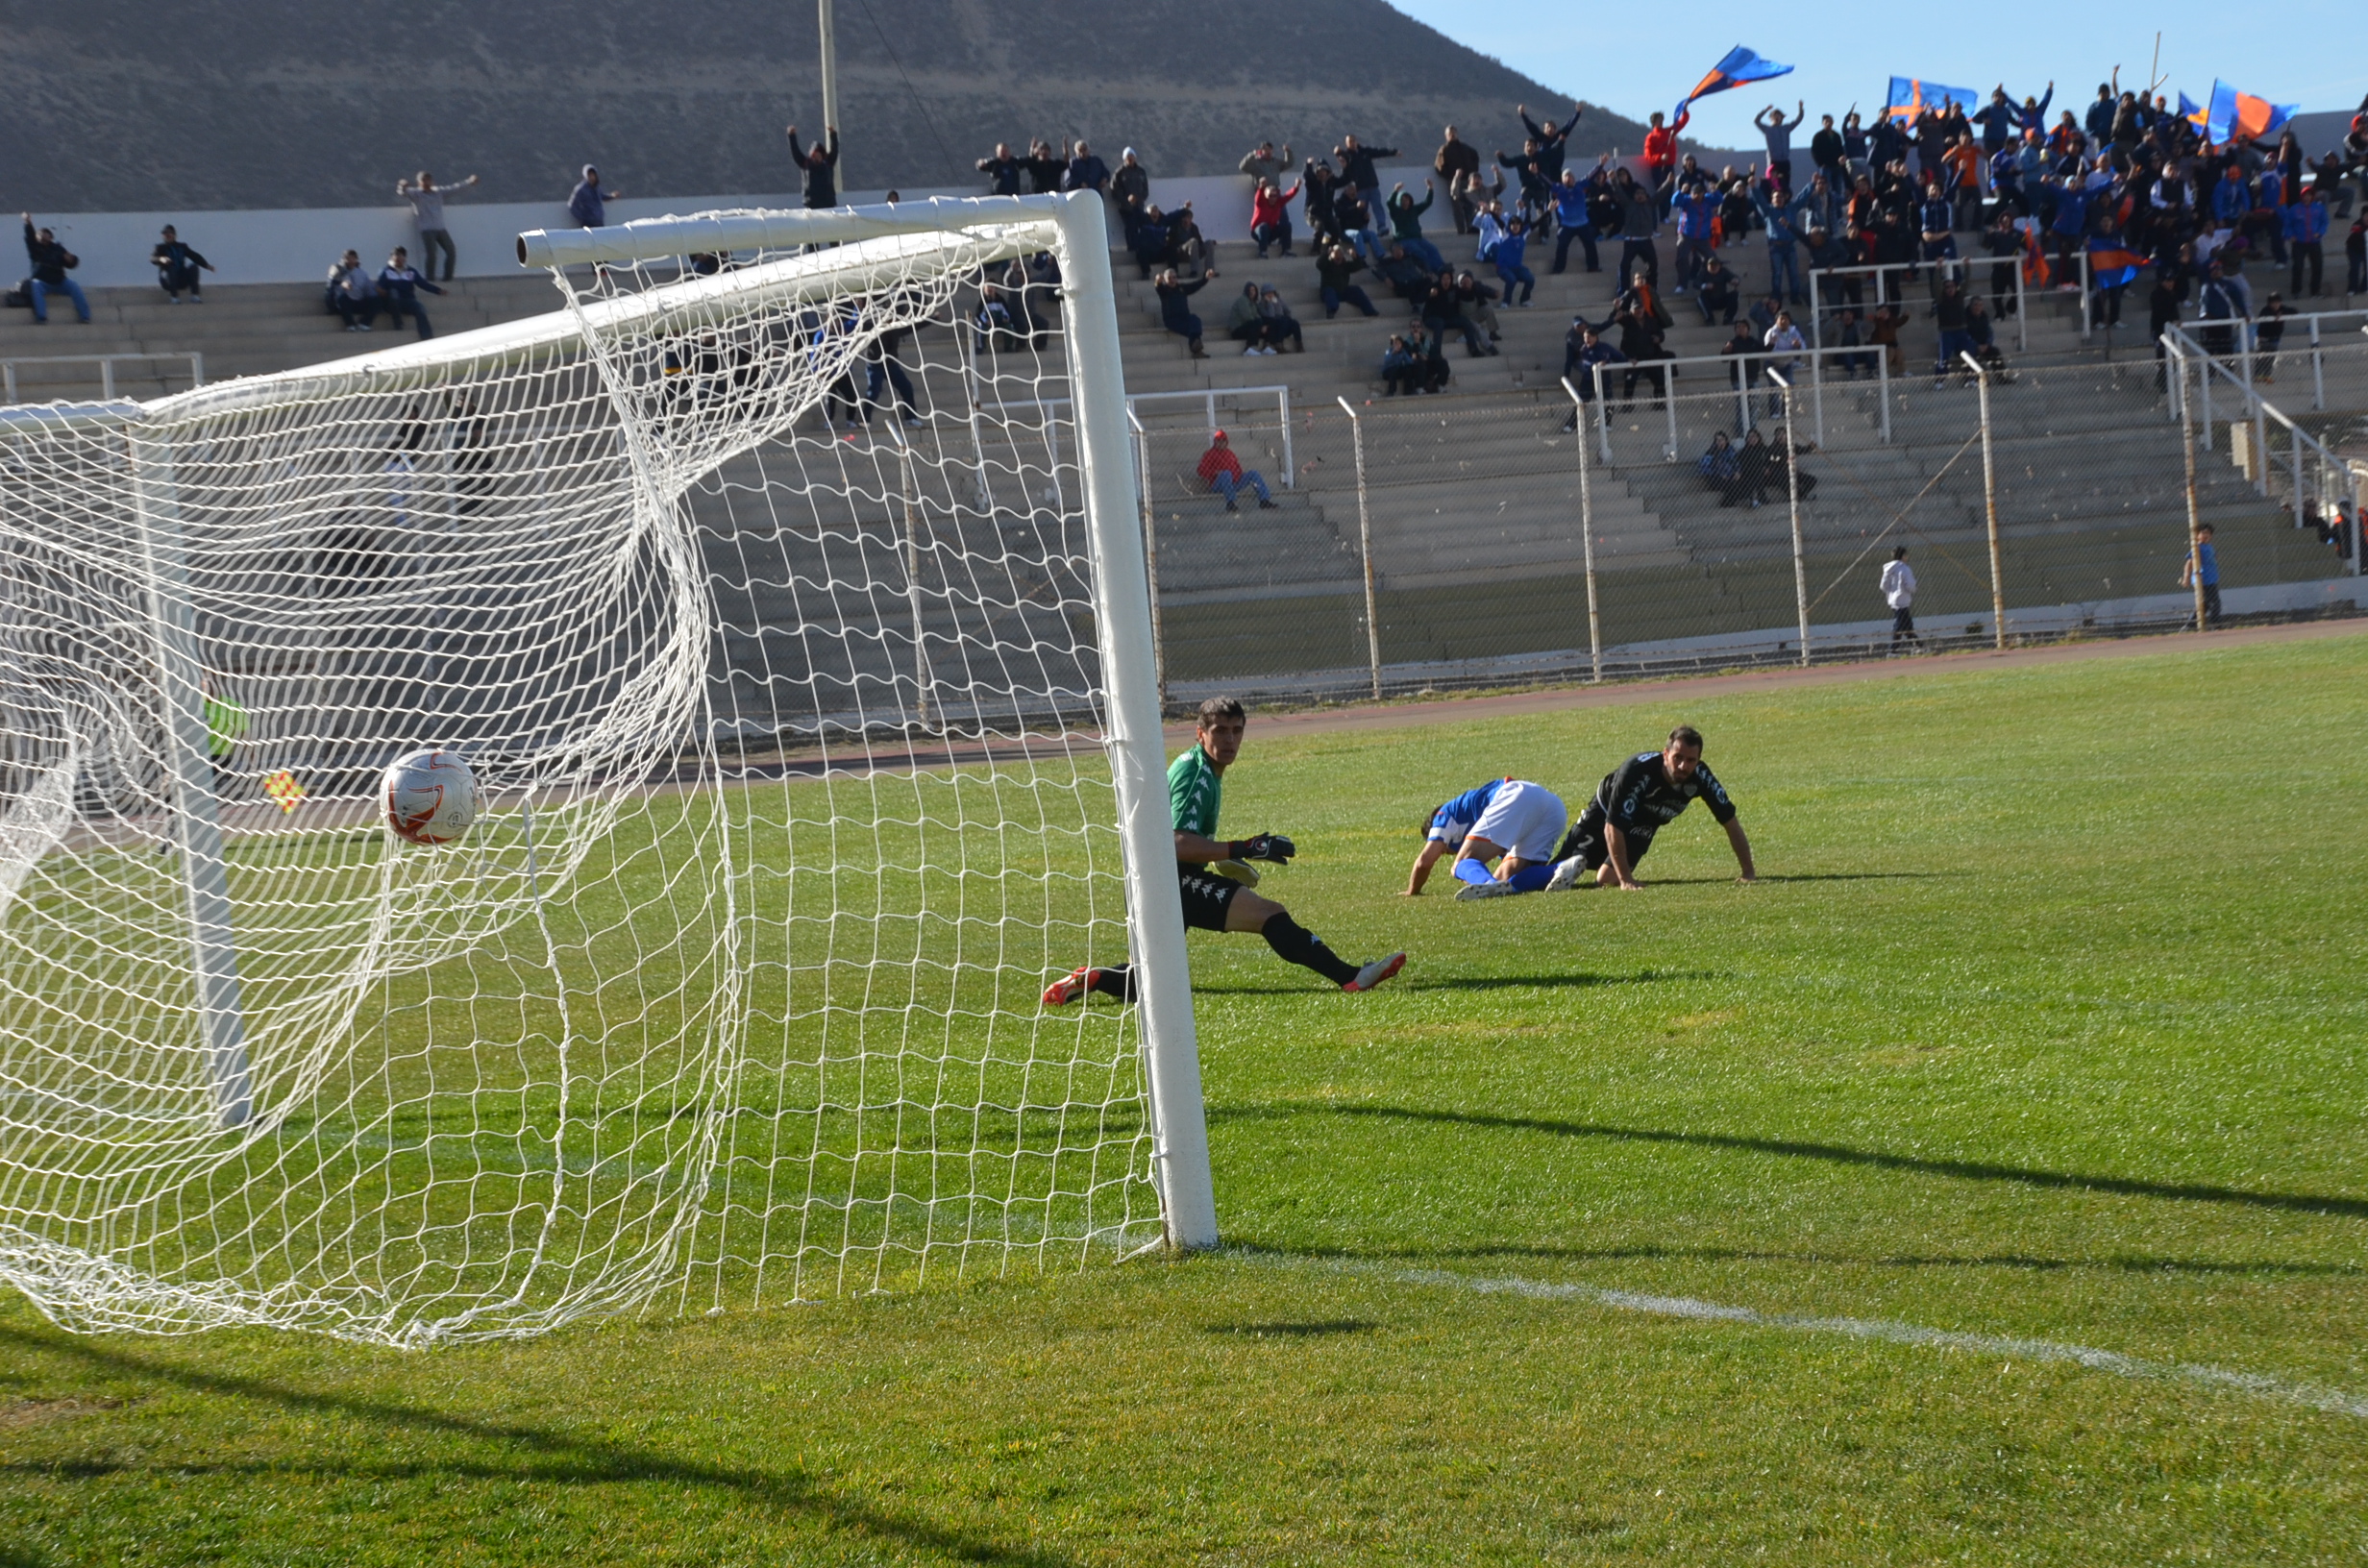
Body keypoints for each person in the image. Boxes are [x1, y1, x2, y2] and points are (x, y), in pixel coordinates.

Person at [1043, 698, 1405, 1004]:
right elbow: (1177, 843)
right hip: (1166, 882)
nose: (1229, 740)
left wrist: (1226, 856)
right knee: (1269, 913)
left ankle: (1089, 979)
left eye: (1236, 731)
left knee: (1146, 982)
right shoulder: (1196, 774)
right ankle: (1350, 976)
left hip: (1162, 880)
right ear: (1200, 733)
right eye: (1219, 731)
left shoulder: (1203, 768)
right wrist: (1246, 847)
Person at [1544, 726, 1757, 892]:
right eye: (1677, 757)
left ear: (1698, 760)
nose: (1683, 766)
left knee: (1606, 880)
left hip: (1645, 823)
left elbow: (1730, 822)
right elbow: (1613, 825)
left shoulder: (1702, 777)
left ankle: (1599, 868)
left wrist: (1748, 872)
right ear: (1665, 754)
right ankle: (1525, 875)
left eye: (1691, 760)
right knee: (1554, 871)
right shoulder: (1637, 771)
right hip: (1604, 811)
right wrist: (1627, 880)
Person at [1431, 778, 1571, 900]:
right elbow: (1503, 877)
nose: (1446, 851)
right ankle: (1560, 868)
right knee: (1509, 880)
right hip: (1554, 806)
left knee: (1459, 864)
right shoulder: (1470, 807)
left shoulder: (1446, 815)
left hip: (1518, 795)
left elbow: (1423, 862)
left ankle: (1488, 883)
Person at [396, 170, 478, 282]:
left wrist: (469, 182)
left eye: (428, 180)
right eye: (424, 180)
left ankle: (448, 277)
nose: (426, 182)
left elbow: (455, 188)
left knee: (451, 251)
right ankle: (430, 278)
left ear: (432, 181)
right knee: (431, 254)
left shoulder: (438, 192)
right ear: (419, 182)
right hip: (427, 229)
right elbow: (402, 192)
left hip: (440, 228)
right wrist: (402, 185)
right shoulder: (416, 193)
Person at [19, 215, 87, 324]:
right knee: (35, 285)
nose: (42, 235)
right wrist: (28, 223)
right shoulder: (35, 249)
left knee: (74, 286)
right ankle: (41, 317)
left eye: (45, 233)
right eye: (39, 234)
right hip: (42, 282)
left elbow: (71, 263)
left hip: (59, 281)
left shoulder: (58, 249)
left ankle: (85, 316)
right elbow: (30, 237)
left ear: (51, 236)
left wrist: (72, 260)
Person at [1197, 430, 1276, 512]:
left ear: (1226, 442)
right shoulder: (1210, 454)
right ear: (1215, 442)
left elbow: (1238, 469)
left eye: (1223, 440)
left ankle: (1264, 500)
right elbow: (1200, 470)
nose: (1221, 443)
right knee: (1226, 473)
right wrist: (1215, 472)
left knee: (1253, 473)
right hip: (1218, 485)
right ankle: (1230, 503)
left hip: (1233, 483)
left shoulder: (1230, 453)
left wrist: (1238, 476)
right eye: (1218, 441)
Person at [376, 246, 443, 338]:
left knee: (420, 308)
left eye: (401, 256)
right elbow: (380, 286)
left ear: (405, 258)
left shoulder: (411, 271)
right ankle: (398, 323)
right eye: (396, 256)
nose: (398, 259)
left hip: (407, 301)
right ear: (392, 258)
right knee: (393, 292)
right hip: (391, 303)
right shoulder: (386, 271)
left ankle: (426, 336)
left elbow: (423, 284)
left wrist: (438, 290)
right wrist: (380, 291)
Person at [1154, 266, 1214, 357]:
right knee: (1193, 331)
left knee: (1195, 320)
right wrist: (1158, 280)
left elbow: (1195, 286)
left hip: (1185, 318)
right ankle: (1197, 350)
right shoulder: (1164, 291)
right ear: (1165, 280)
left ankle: (1196, 349)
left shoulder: (1181, 288)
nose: (1172, 280)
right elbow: (1158, 287)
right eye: (1169, 278)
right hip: (1172, 321)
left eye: (1174, 277)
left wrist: (1206, 278)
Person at [149, 225, 213, 303]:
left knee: (193, 267)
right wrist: (161, 259)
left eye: (170, 233)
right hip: (167, 278)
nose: (168, 235)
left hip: (181, 278)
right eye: (166, 233)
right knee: (171, 268)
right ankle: (174, 297)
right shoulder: (159, 247)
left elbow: (194, 256)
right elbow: (152, 258)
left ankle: (195, 296)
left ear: (174, 235)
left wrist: (207, 265)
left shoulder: (182, 247)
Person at [785, 126, 841, 209]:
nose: (817, 157)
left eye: (819, 155)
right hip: (811, 204)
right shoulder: (805, 164)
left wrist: (833, 134)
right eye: (815, 155)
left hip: (828, 203)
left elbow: (835, 149)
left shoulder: (828, 163)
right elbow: (795, 151)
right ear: (812, 155)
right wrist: (791, 135)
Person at [1315, 243, 1377, 318]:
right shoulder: (1327, 264)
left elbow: (1358, 266)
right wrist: (1326, 254)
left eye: (1340, 254)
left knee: (1356, 290)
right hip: (1330, 292)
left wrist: (1355, 257)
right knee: (1329, 291)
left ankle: (1370, 312)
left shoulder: (1345, 265)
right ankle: (1331, 312)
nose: (1338, 256)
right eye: (1336, 254)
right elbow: (1319, 264)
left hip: (1343, 292)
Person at [326, 249, 379, 331]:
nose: (350, 261)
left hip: (358, 301)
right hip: (344, 303)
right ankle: (350, 324)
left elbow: (369, 289)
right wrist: (344, 283)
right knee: (342, 299)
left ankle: (364, 323)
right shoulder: (339, 271)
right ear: (343, 260)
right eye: (348, 258)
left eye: (353, 258)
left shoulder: (362, 273)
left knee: (376, 300)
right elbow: (337, 282)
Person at [2180, 523, 2221, 625]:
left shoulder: (2209, 547)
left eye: (2208, 533)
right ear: (2197, 535)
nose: (2206, 535)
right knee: (2215, 604)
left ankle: (2191, 624)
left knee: (2205, 605)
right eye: (2203, 533)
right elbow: (2189, 563)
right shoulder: (2197, 547)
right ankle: (2216, 625)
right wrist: (2186, 577)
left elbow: (2213, 557)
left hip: (2211, 580)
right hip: (2202, 580)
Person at [1881, 545, 1920, 652]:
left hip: (1892, 601)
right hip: (1903, 600)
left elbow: (1883, 586)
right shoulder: (1904, 569)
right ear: (1903, 556)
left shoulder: (1888, 570)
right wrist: (1913, 589)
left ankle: (1919, 646)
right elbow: (1910, 585)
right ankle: (1892, 650)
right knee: (1899, 626)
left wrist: (1891, 591)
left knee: (1907, 625)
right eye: (1906, 555)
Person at [1250, 176, 1300, 258]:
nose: (1273, 198)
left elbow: (1288, 196)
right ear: (1266, 195)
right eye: (1270, 196)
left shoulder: (1278, 202)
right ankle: (1262, 252)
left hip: (1270, 232)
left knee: (1286, 225)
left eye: (1275, 196)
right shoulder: (1261, 203)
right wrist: (1261, 187)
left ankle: (1286, 251)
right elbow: (1258, 196)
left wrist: (1296, 187)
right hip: (1258, 232)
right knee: (1264, 226)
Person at [568, 166, 620, 230]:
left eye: (593, 174)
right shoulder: (581, 189)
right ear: (586, 176)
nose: (592, 177)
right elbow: (572, 206)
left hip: (599, 221)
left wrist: (612, 196)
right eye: (589, 175)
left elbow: (601, 196)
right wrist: (582, 218)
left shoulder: (597, 187)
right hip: (588, 224)